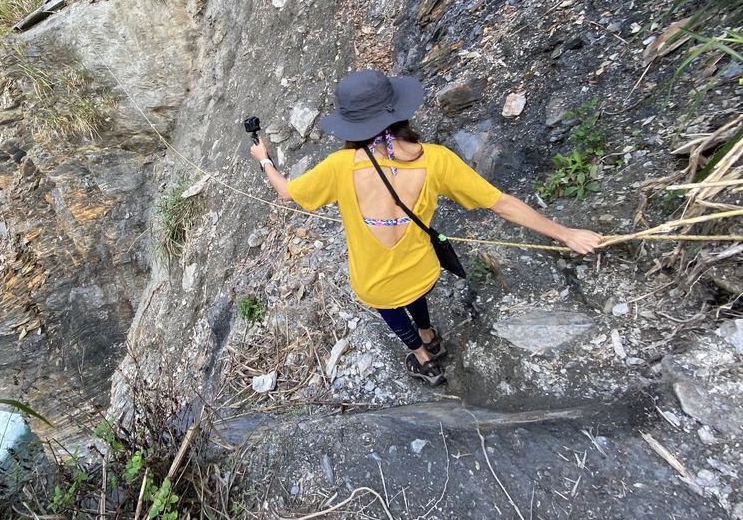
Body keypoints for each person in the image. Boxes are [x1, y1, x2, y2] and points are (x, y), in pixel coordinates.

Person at [249, 69, 602, 386]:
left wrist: (264, 158)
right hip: (422, 270)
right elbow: (501, 203)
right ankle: (430, 333)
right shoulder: (435, 159)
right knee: (413, 294)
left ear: (351, 124)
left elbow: (286, 193)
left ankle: (424, 359)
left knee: (390, 307)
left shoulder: (339, 166)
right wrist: (567, 234)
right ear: (397, 109)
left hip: (374, 281)